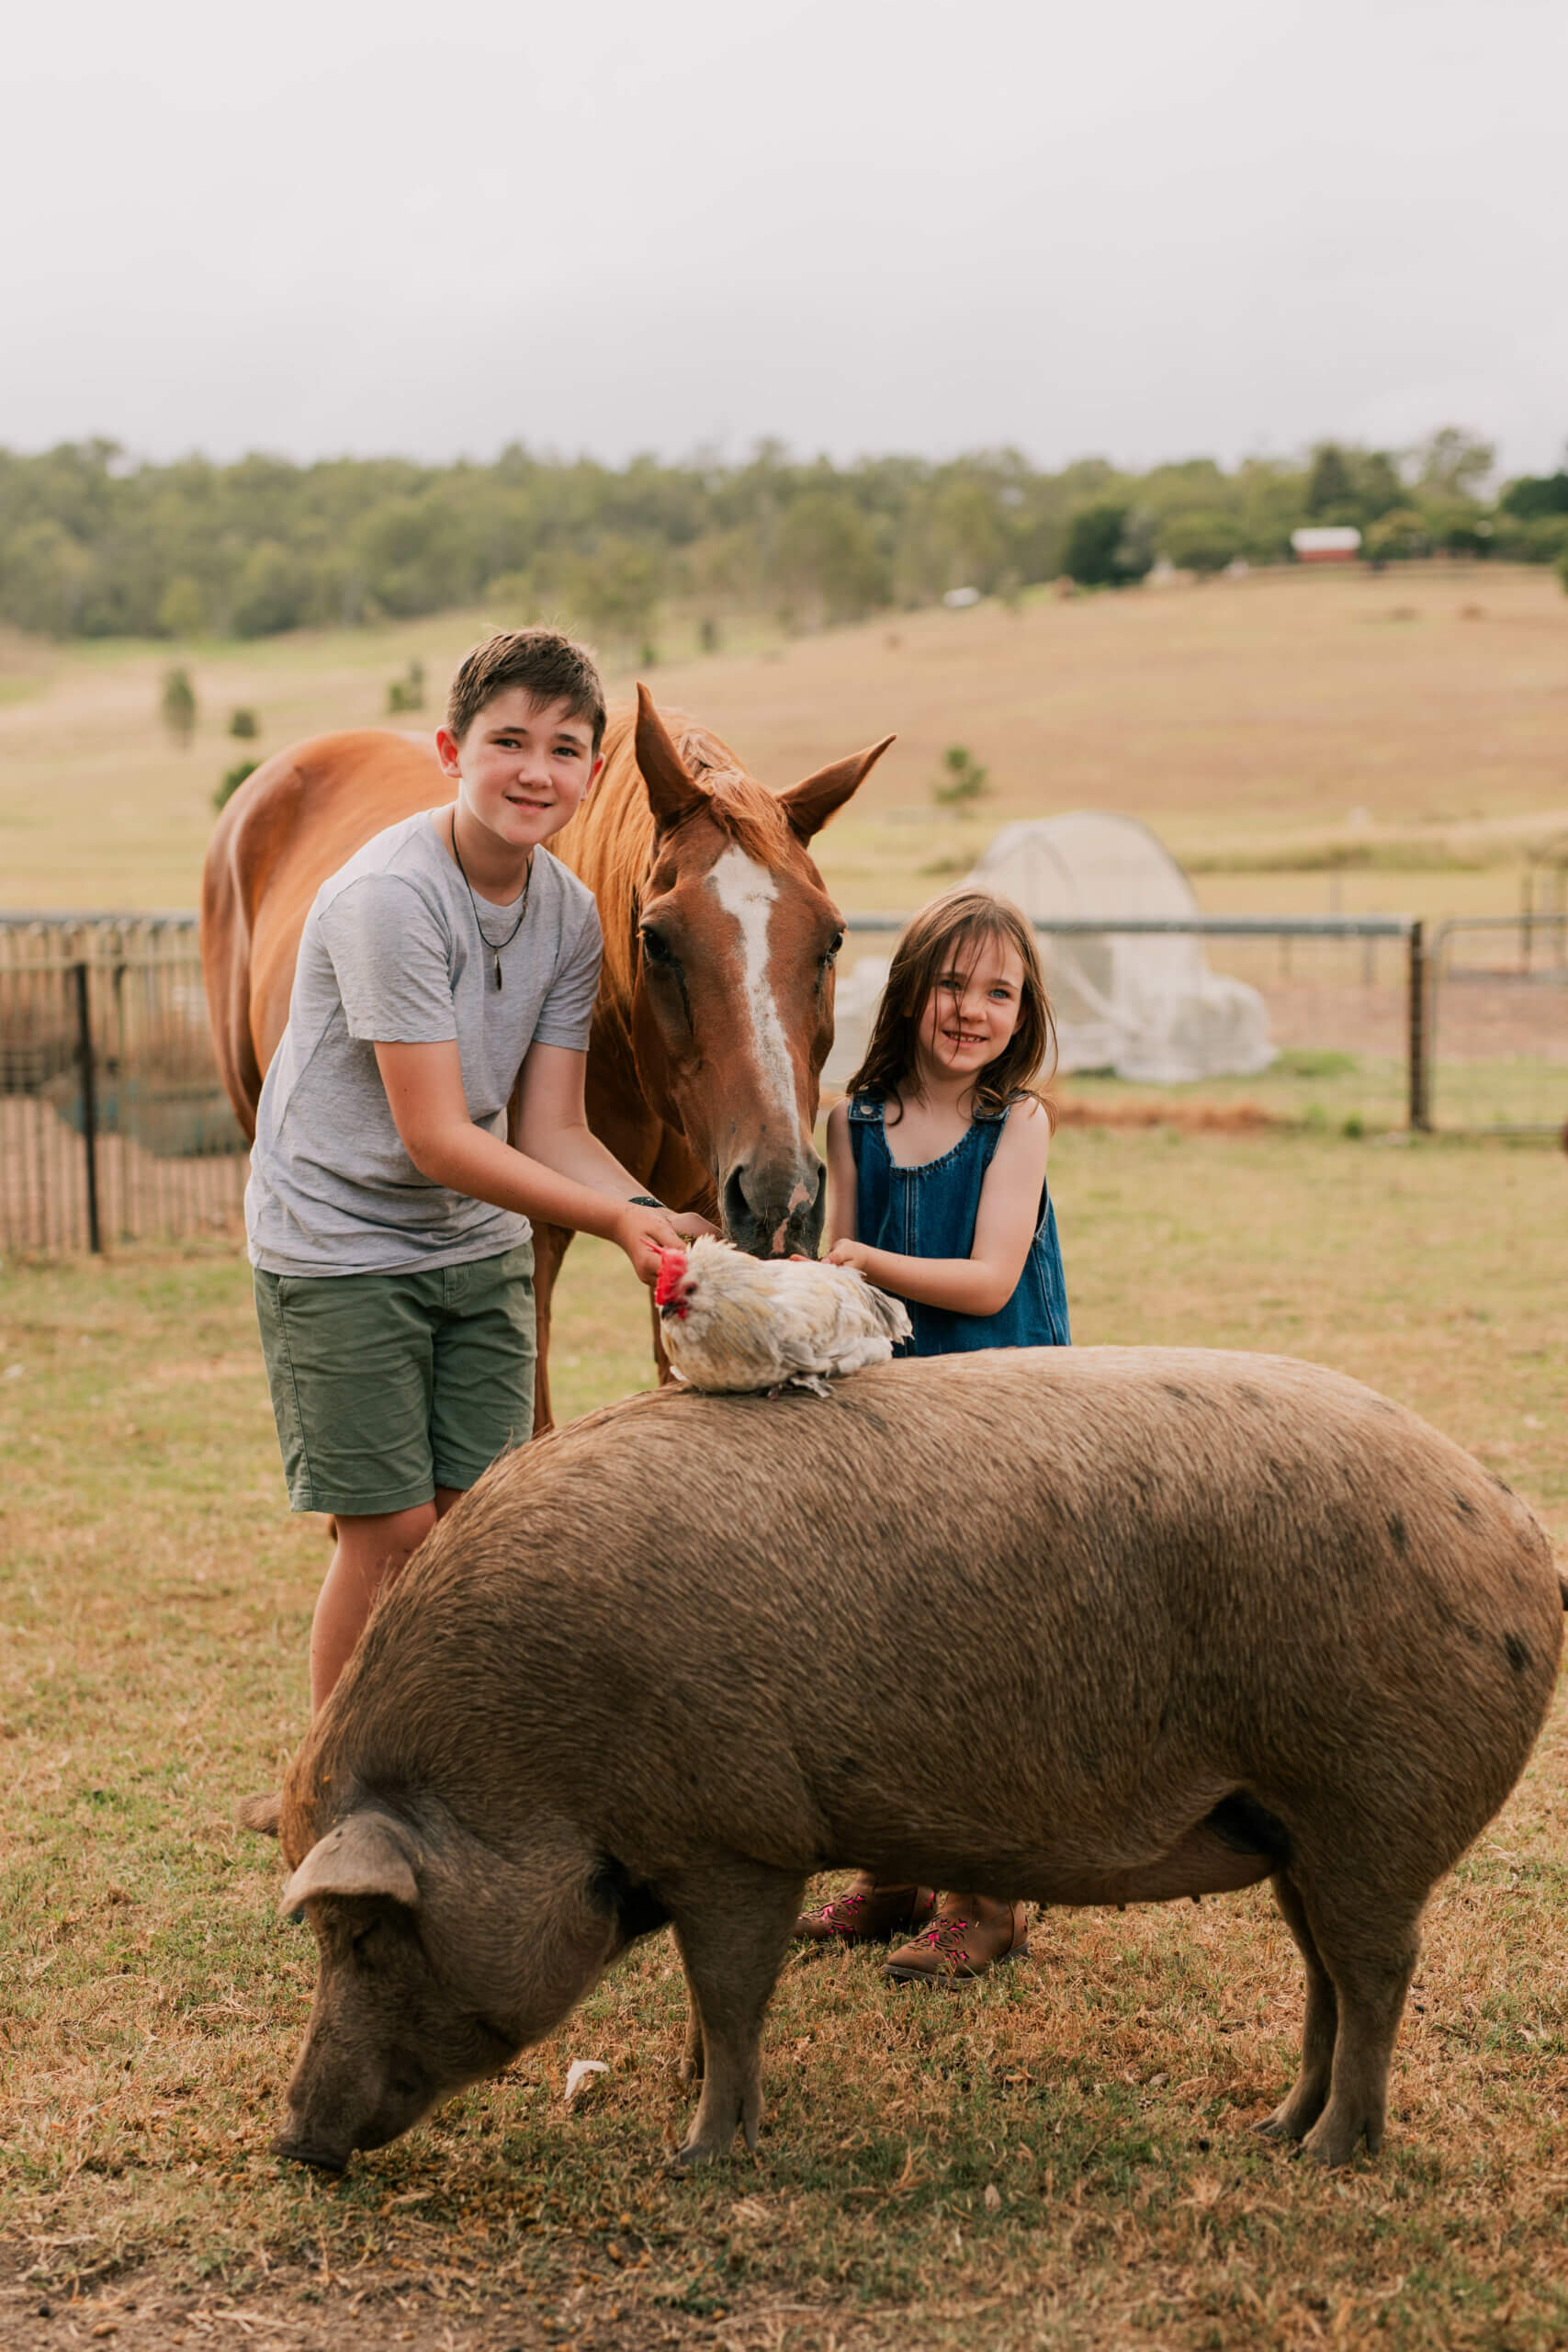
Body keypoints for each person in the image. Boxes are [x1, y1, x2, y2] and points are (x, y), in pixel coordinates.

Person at [246, 628, 710, 1712]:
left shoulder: (567, 914)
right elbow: (440, 1138)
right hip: (341, 1245)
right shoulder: (389, 900)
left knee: (485, 1523)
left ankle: (455, 1786)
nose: (535, 771)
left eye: (563, 748)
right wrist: (615, 1224)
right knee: (392, 1534)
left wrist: (658, 1215)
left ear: (594, 777)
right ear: (452, 751)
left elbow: (551, 1125)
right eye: (508, 740)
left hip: (474, 1247)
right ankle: (334, 1800)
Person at [795, 885, 1070, 1983]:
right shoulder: (855, 1118)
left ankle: (987, 1898)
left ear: (1023, 1011)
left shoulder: (1020, 1122)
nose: (972, 1009)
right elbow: (833, 1271)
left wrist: (858, 1262)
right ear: (912, 992)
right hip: (893, 1425)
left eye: (998, 991)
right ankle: (894, 1875)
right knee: (883, 1648)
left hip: (1005, 1417)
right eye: (952, 983)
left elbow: (990, 1275)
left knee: (985, 1659)